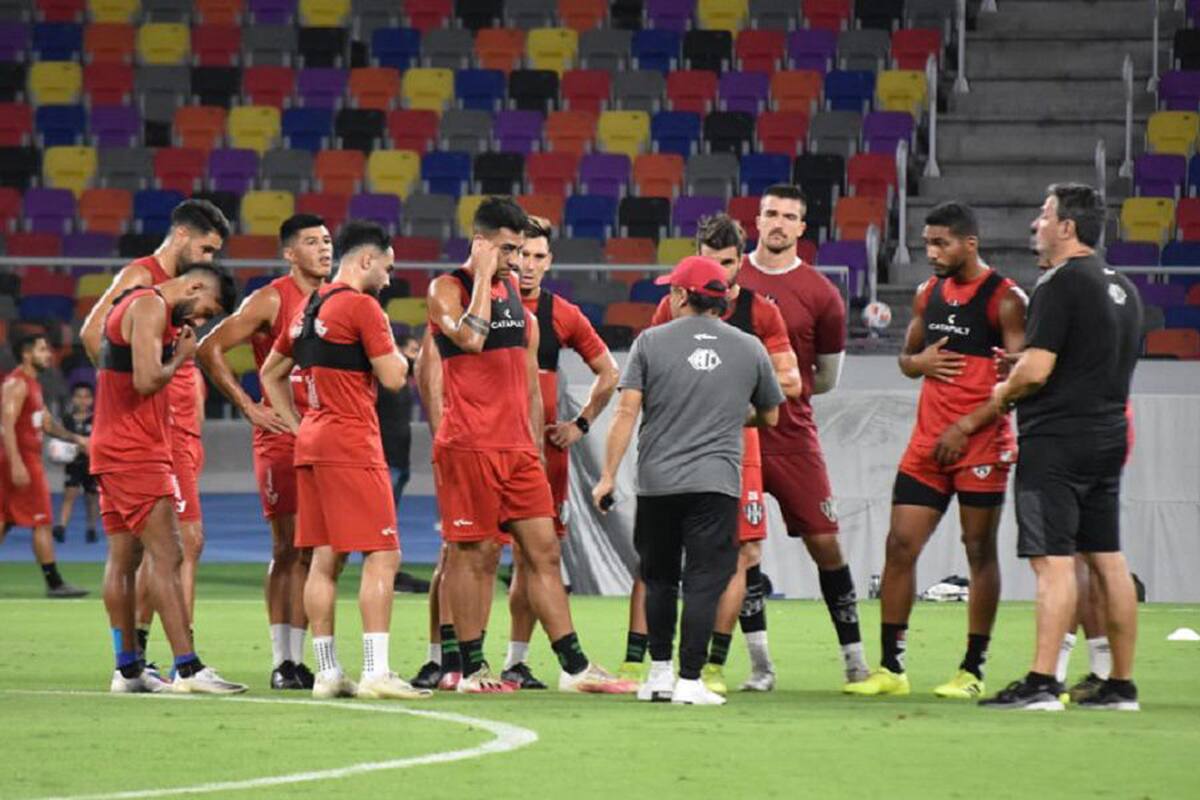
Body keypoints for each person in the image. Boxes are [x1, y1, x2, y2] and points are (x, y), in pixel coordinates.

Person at [426, 196, 633, 694]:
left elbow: (524, 383)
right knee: (473, 557)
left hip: (519, 452)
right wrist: (481, 276)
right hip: (469, 447)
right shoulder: (445, 289)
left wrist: (536, 452)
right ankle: (472, 669)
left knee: (544, 553)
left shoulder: (522, 302)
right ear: (480, 243)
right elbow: (470, 341)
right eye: (507, 249)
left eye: (521, 252)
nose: (516, 261)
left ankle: (576, 668)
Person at [844, 202, 1027, 700]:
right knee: (899, 546)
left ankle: (972, 670)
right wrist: (916, 361)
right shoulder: (929, 293)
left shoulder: (1005, 299)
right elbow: (907, 359)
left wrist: (965, 427)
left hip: (981, 442)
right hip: (929, 443)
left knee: (977, 551)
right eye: (927, 243)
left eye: (940, 243)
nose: (931, 252)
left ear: (970, 243)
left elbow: (1019, 382)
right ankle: (891, 669)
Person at [617, 214, 801, 696]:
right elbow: (775, 415)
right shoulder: (749, 345)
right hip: (716, 480)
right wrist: (724, 415)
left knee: (658, 578)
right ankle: (692, 679)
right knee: (704, 579)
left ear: (680, 295)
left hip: (656, 481)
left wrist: (605, 476)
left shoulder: (650, 340)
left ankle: (656, 675)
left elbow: (627, 412)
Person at [981, 183, 1143, 711]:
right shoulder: (1123, 287)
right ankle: (1119, 684)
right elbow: (1088, 360)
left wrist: (1005, 390)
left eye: (1044, 214)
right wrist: (1028, 366)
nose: (1036, 224)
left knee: (1052, 562)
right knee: (1108, 558)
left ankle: (1042, 682)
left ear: (1067, 227)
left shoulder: (1059, 283)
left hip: (1057, 440)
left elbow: (1038, 371)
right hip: (1107, 435)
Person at [260, 220, 429, 701]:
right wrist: (408, 355)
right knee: (384, 553)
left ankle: (327, 672)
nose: (390, 279)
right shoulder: (361, 306)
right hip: (353, 443)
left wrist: (298, 426)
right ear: (366, 261)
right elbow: (394, 378)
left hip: (313, 442)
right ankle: (376, 672)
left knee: (324, 558)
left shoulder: (307, 308)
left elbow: (271, 375)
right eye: (388, 268)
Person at [81, 198, 230, 661]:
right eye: (206, 250)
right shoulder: (143, 279)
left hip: (173, 429)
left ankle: (133, 659)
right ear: (182, 236)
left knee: (150, 551)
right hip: (149, 432)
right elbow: (94, 334)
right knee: (180, 544)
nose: (209, 262)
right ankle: (179, 659)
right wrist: (128, 396)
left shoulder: (178, 296)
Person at [734, 184, 869, 689]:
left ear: (801, 228)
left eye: (788, 216)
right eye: (770, 213)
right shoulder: (732, 277)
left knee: (825, 543)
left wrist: (789, 394)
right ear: (757, 219)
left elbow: (828, 378)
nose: (777, 223)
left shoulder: (822, 294)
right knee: (742, 551)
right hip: (738, 437)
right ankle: (759, 666)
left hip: (792, 435)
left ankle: (855, 661)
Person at [93, 263, 244, 693]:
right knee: (169, 555)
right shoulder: (149, 305)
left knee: (124, 559)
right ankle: (189, 668)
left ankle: (128, 670)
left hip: (111, 447)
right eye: (205, 309)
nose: (199, 321)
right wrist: (181, 356)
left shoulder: (134, 306)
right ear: (194, 286)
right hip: (136, 451)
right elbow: (145, 381)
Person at [196, 213, 331, 691]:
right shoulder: (271, 298)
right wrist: (248, 406)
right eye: (312, 242)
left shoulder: (339, 298)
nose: (324, 249)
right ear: (290, 253)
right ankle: (283, 661)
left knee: (320, 552)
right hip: (281, 437)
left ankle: (307, 659)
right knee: (288, 547)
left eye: (328, 241)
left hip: (326, 435)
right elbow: (210, 347)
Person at [0, 334, 89, 597]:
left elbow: (47, 424)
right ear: (27, 354)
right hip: (20, 462)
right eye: (42, 349)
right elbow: (6, 426)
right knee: (43, 521)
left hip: (19, 461)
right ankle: (54, 583)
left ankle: (54, 582)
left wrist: (77, 439)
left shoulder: (32, 384)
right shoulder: (17, 384)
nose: (48, 353)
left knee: (5, 520)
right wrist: (17, 464)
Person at [52, 382, 100, 545]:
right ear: (73, 399)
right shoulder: (66, 419)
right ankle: (61, 527)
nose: (83, 400)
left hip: (93, 464)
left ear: (92, 399)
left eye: (87, 397)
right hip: (73, 463)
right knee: (69, 494)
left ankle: (92, 527)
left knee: (92, 496)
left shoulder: (97, 418)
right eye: (79, 396)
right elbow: (59, 440)